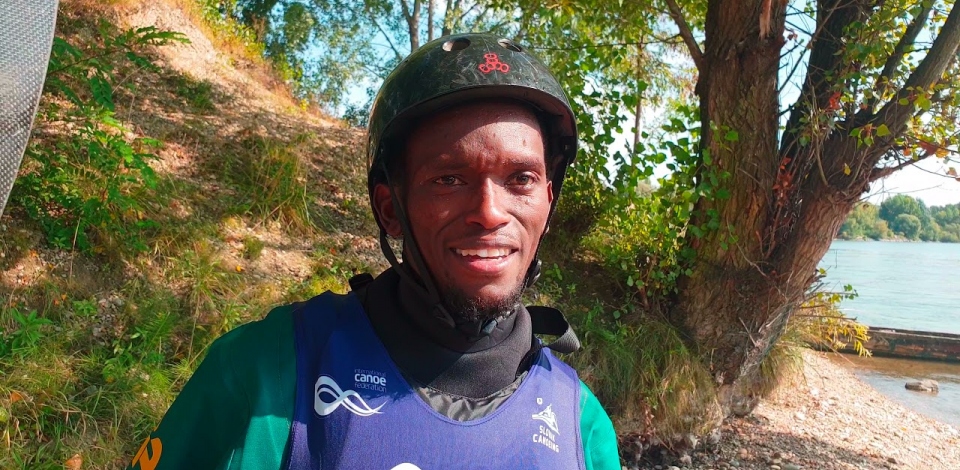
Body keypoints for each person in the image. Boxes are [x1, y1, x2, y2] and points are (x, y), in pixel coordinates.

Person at [128, 33, 619, 470]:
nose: (490, 212)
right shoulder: (267, 371)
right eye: (449, 179)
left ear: (548, 203)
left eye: (521, 180)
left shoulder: (582, 425)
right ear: (390, 209)